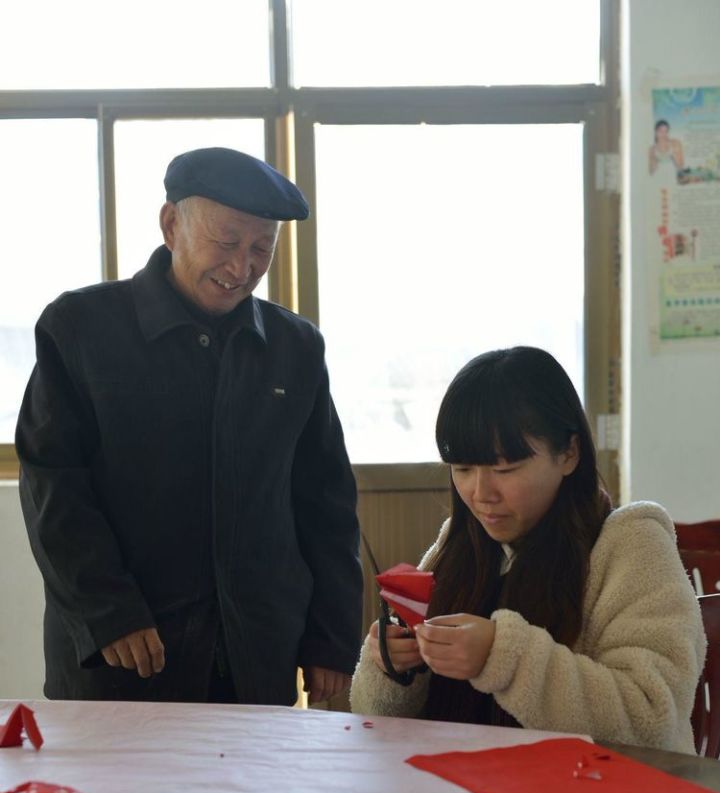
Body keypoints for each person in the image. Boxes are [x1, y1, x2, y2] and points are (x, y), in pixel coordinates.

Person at [16, 147, 363, 706]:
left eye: (261, 249)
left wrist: (332, 642)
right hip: (123, 655)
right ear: (171, 224)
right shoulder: (80, 330)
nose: (241, 267)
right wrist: (109, 611)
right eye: (226, 242)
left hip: (255, 658)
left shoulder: (295, 348)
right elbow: (52, 487)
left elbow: (326, 504)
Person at [350, 346, 704, 753]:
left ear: (569, 454)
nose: (481, 494)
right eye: (463, 469)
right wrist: (392, 666)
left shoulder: (630, 545)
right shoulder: (459, 545)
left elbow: (650, 718)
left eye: (505, 469)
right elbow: (372, 719)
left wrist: (502, 657)